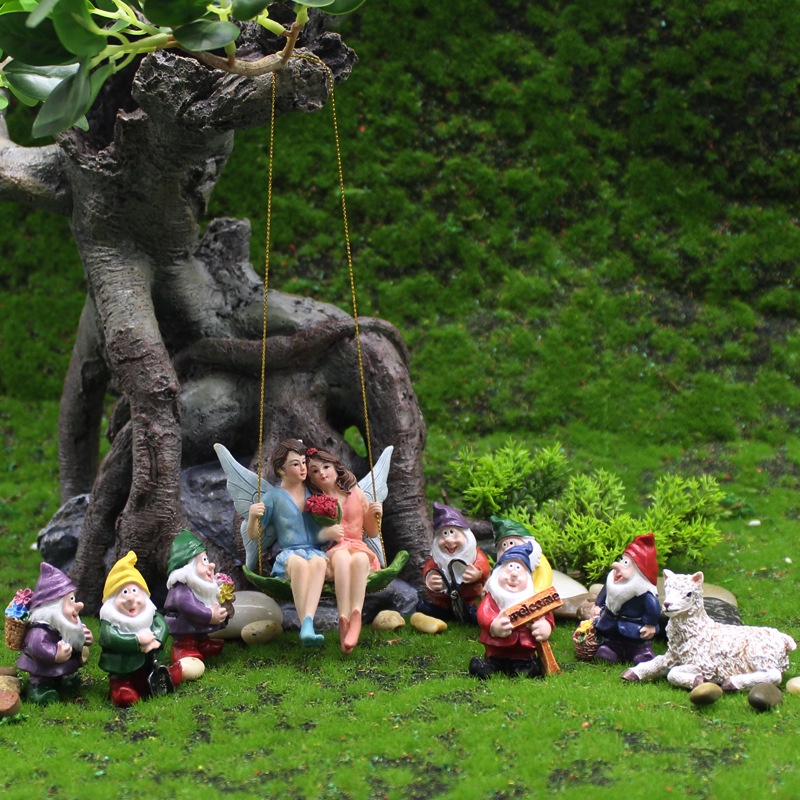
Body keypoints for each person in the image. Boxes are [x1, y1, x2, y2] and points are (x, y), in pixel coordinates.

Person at [244, 438, 336, 647]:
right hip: (290, 553)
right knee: (299, 565)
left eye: (304, 462)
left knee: (319, 563)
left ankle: (307, 625)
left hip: (315, 551)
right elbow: (254, 535)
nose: (303, 468)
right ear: (281, 470)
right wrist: (252, 517)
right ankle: (307, 625)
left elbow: (328, 522)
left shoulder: (314, 492)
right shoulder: (274, 497)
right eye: (296, 464)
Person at [306, 447, 382, 654]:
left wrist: (375, 515)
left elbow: (372, 532)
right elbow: (312, 535)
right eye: (315, 471)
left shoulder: (356, 492)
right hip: (336, 548)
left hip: (358, 545)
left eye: (326, 467)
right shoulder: (316, 502)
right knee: (341, 558)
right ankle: (344, 618)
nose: (322, 473)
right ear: (310, 478)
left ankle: (356, 615)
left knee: (359, 560)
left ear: (336, 467)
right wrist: (327, 533)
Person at [98, 551, 182, 708]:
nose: (131, 599)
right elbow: (109, 638)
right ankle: (121, 689)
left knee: (149, 673)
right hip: (122, 666)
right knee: (123, 682)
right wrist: (137, 641)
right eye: (124, 592)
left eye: (134, 591)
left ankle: (159, 677)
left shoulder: (150, 615)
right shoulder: (111, 622)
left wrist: (157, 639)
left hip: (149, 661)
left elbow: (162, 626)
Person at [469, 543, 555, 679]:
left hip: (523, 649)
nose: (514, 575)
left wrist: (545, 626)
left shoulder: (534, 601)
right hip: (496, 647)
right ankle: (490, 665)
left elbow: (547, 615)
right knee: (491, 664)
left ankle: (525, 666)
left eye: (519, 570)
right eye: (509, 568)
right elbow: (483, 613)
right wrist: (493, 624)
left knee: (526, 670)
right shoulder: (493, 598)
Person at [16, 563, 94, 704]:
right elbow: (37, 647)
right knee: (41, 677)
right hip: (42, 666)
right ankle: (37, 688)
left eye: (73, 599)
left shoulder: (62, 625)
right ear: (54, 607)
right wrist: (54, 654)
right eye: (70, 601)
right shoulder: (39, 630)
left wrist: (84, 638)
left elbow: (72, 638)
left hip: (59, 665)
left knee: (57, 674)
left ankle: (59, 681)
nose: (79, 605)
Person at [590, 532, 661, 665]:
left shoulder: (643, 592)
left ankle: (642, 653)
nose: (617, 566)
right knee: (609, 646)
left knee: (639, 648)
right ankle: (610, 650)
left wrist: (650, 625)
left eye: (626, 563)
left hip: (635, 629)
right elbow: (604, 593)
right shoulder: (613, 584)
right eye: (623, 560)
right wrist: (598, 605)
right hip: (612, 627)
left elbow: (654, 608)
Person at [416, 502, 491, 624]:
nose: (449, 540)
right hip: (443, 600)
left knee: (474, 614)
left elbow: (485, 568)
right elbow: (429, 569)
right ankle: (441, 612)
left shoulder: (475, 555)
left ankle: (471, 614)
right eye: (444, 534)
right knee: (427, 608)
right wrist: (430, 579)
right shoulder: (437, 558)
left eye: (452, 533)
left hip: (468, 599)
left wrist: (478, 574)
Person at [164, 529, 230, 663]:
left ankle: (202, 643)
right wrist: (209, 615)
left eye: (207, 559)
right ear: (189, 567)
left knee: (199, 634)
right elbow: (187, 606)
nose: (211, 565)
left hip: (197, 624)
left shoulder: (199, 585)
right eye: (204, 560)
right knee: (187, 638)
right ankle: (183, 648)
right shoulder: (181, 586)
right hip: (183, 623)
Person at [490, 515, 554, 592]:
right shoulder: (503, 566)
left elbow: (544, 581)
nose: (507, 549)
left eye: (511, 543)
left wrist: (534, 594)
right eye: (504, 545)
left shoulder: (537, 560)